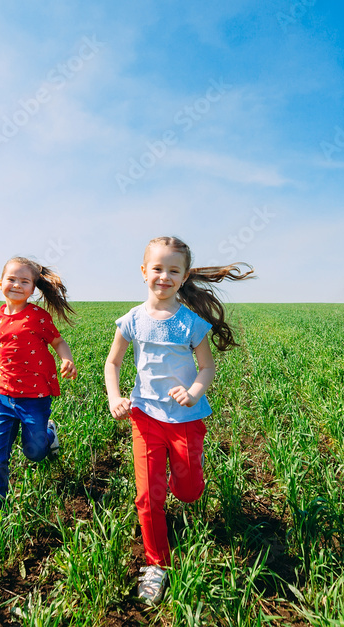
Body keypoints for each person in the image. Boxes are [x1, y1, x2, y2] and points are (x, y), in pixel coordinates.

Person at [104, 236, 254, 605]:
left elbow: (207, 366)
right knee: (148, 495)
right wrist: (115, 397)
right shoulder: (132, 320)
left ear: (184, 276)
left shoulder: (190, 323)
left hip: (186, 419)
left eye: (174, 270)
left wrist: (195, 392)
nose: (164, 276)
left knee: (188, 492)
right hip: (144, 417)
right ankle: (157, 564)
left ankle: (181, 477)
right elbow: (113, 363)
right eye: (157, 268)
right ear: (144, 272)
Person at [0, 257, 77, 543]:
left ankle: (48, 435)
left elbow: (57, 342)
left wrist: (66, 359)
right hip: (3, 398)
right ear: (1, 283)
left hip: (35, 398)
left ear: (33, 289)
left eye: (24, 281)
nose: (16, 284)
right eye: (12, 279)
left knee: (34, 453)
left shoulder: (38, 317)